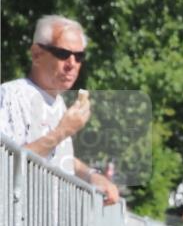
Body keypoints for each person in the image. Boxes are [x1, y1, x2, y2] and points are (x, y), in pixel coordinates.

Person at [0, 14, 119, 205]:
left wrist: (91, 175)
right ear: (37, 54)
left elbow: (58, 158)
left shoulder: (58, 103)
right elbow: (8, 162)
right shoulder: (13, 95)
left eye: (79, 56)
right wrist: (62, 131)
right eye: (63, 54)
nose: (72, 64)